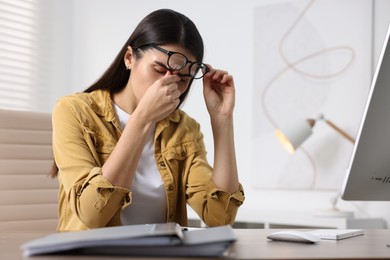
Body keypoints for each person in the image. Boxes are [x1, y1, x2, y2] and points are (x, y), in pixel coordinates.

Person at [51, 8, 245, 231]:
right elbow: (92, 213)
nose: (170, 83)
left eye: (183, 78)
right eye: (159, 69)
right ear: (129, 58)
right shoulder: (74, 111)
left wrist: (222, 119)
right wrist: (142, 118)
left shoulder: (184, 129)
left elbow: (220, 217)